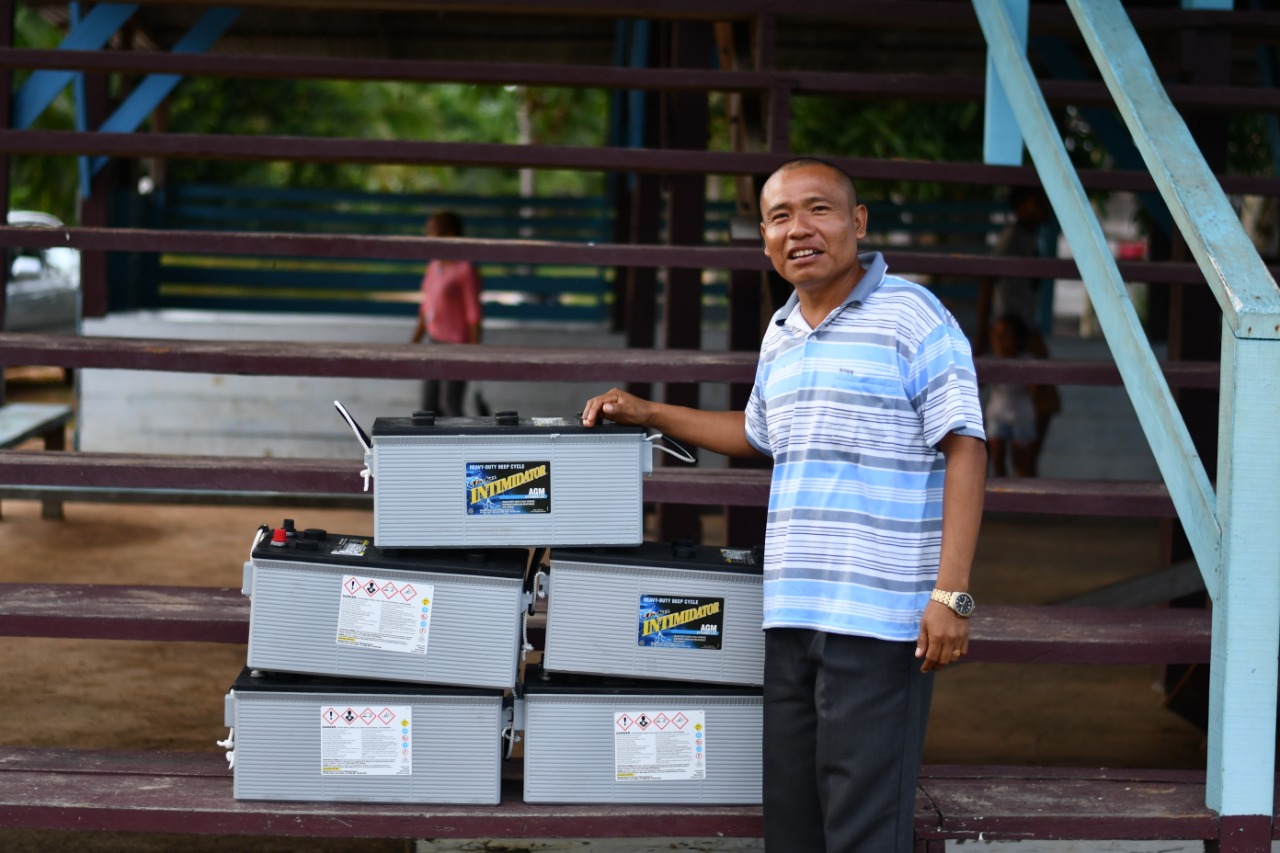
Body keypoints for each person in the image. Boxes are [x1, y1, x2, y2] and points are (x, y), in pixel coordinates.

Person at [582, 158, 987, 852]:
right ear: (765, 239)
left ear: (858, 222)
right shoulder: (782, 329)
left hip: (879, 618)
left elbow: (966, 446)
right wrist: (649, 411)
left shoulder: (913, 315)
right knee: (793, 825)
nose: (799, 228)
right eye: (779, 216)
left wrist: (951, 594)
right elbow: (757, 433)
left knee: (864, 829)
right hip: (792, 610)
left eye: (818, 209)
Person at [975, 186, 1059, 472]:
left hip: (1023, 328)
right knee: (1024, 396)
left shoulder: (1028, 238)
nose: (1044, 208)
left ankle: (1024, 460)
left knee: (1039, 398)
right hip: (1009, 328)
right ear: (1022, 207)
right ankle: (1015, 464)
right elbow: (988, 279)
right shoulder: (1012, 238)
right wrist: (984, 336)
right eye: (1037, 203)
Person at [410, 211, 483, 416]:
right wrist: (414, 341)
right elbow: (427, 307)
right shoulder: (434, 265)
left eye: (432, 231)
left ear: (449, 234)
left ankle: (459, 438)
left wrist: (475, 355)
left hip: (458, 347)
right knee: (428, 407)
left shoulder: (465, 269)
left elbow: (473, 314)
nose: (428, 237)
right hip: (434, 343)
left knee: (451, 405)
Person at [984, 312, 1038, 477]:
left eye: (1006, 335)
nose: (999, 340)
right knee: (997, 461)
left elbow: (1034, 389)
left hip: (1021, 416)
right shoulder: (990, 360)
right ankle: (1002, 491)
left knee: (1020, 463)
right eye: (996, 335)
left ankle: (1020, 492)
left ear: (1018, 339)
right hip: (997, 414)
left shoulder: (1027, 361)